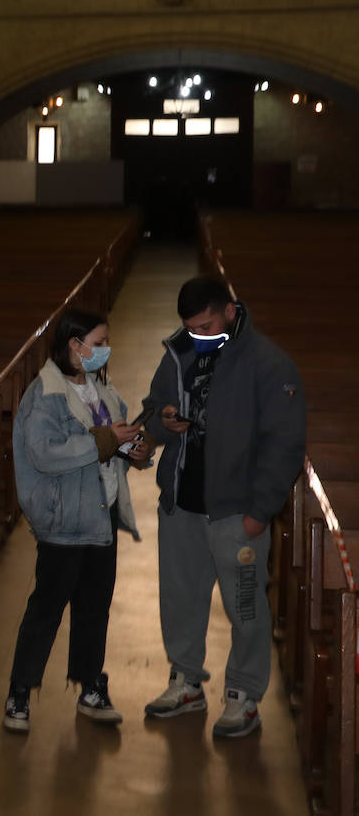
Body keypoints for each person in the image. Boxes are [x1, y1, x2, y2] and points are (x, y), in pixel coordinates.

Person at [142, 276, 306, 737]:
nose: (199, 336)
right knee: (180, 599)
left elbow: (286, 445)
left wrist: (261, 511)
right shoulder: (180, 353)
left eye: (207, 325)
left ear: (230, 312)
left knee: (245, 607)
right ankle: (186, 680)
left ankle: (244, 695)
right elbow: (153, 407)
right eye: (191, 328)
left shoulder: (269, 364)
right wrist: (163, 421)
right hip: (183, 503)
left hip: (238, 513)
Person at [3, 308, 152, 733]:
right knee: (46, 611)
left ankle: (90, 686)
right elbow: (46, 453)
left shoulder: (102, 390)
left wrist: (136, 451)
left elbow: (119, 436)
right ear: (75, 345)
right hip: (64, 523)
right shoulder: (44, 393)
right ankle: (19, 693)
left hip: (101, 520)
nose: (105, 350)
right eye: (99, 342)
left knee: (94, 609)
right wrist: (106, 440)